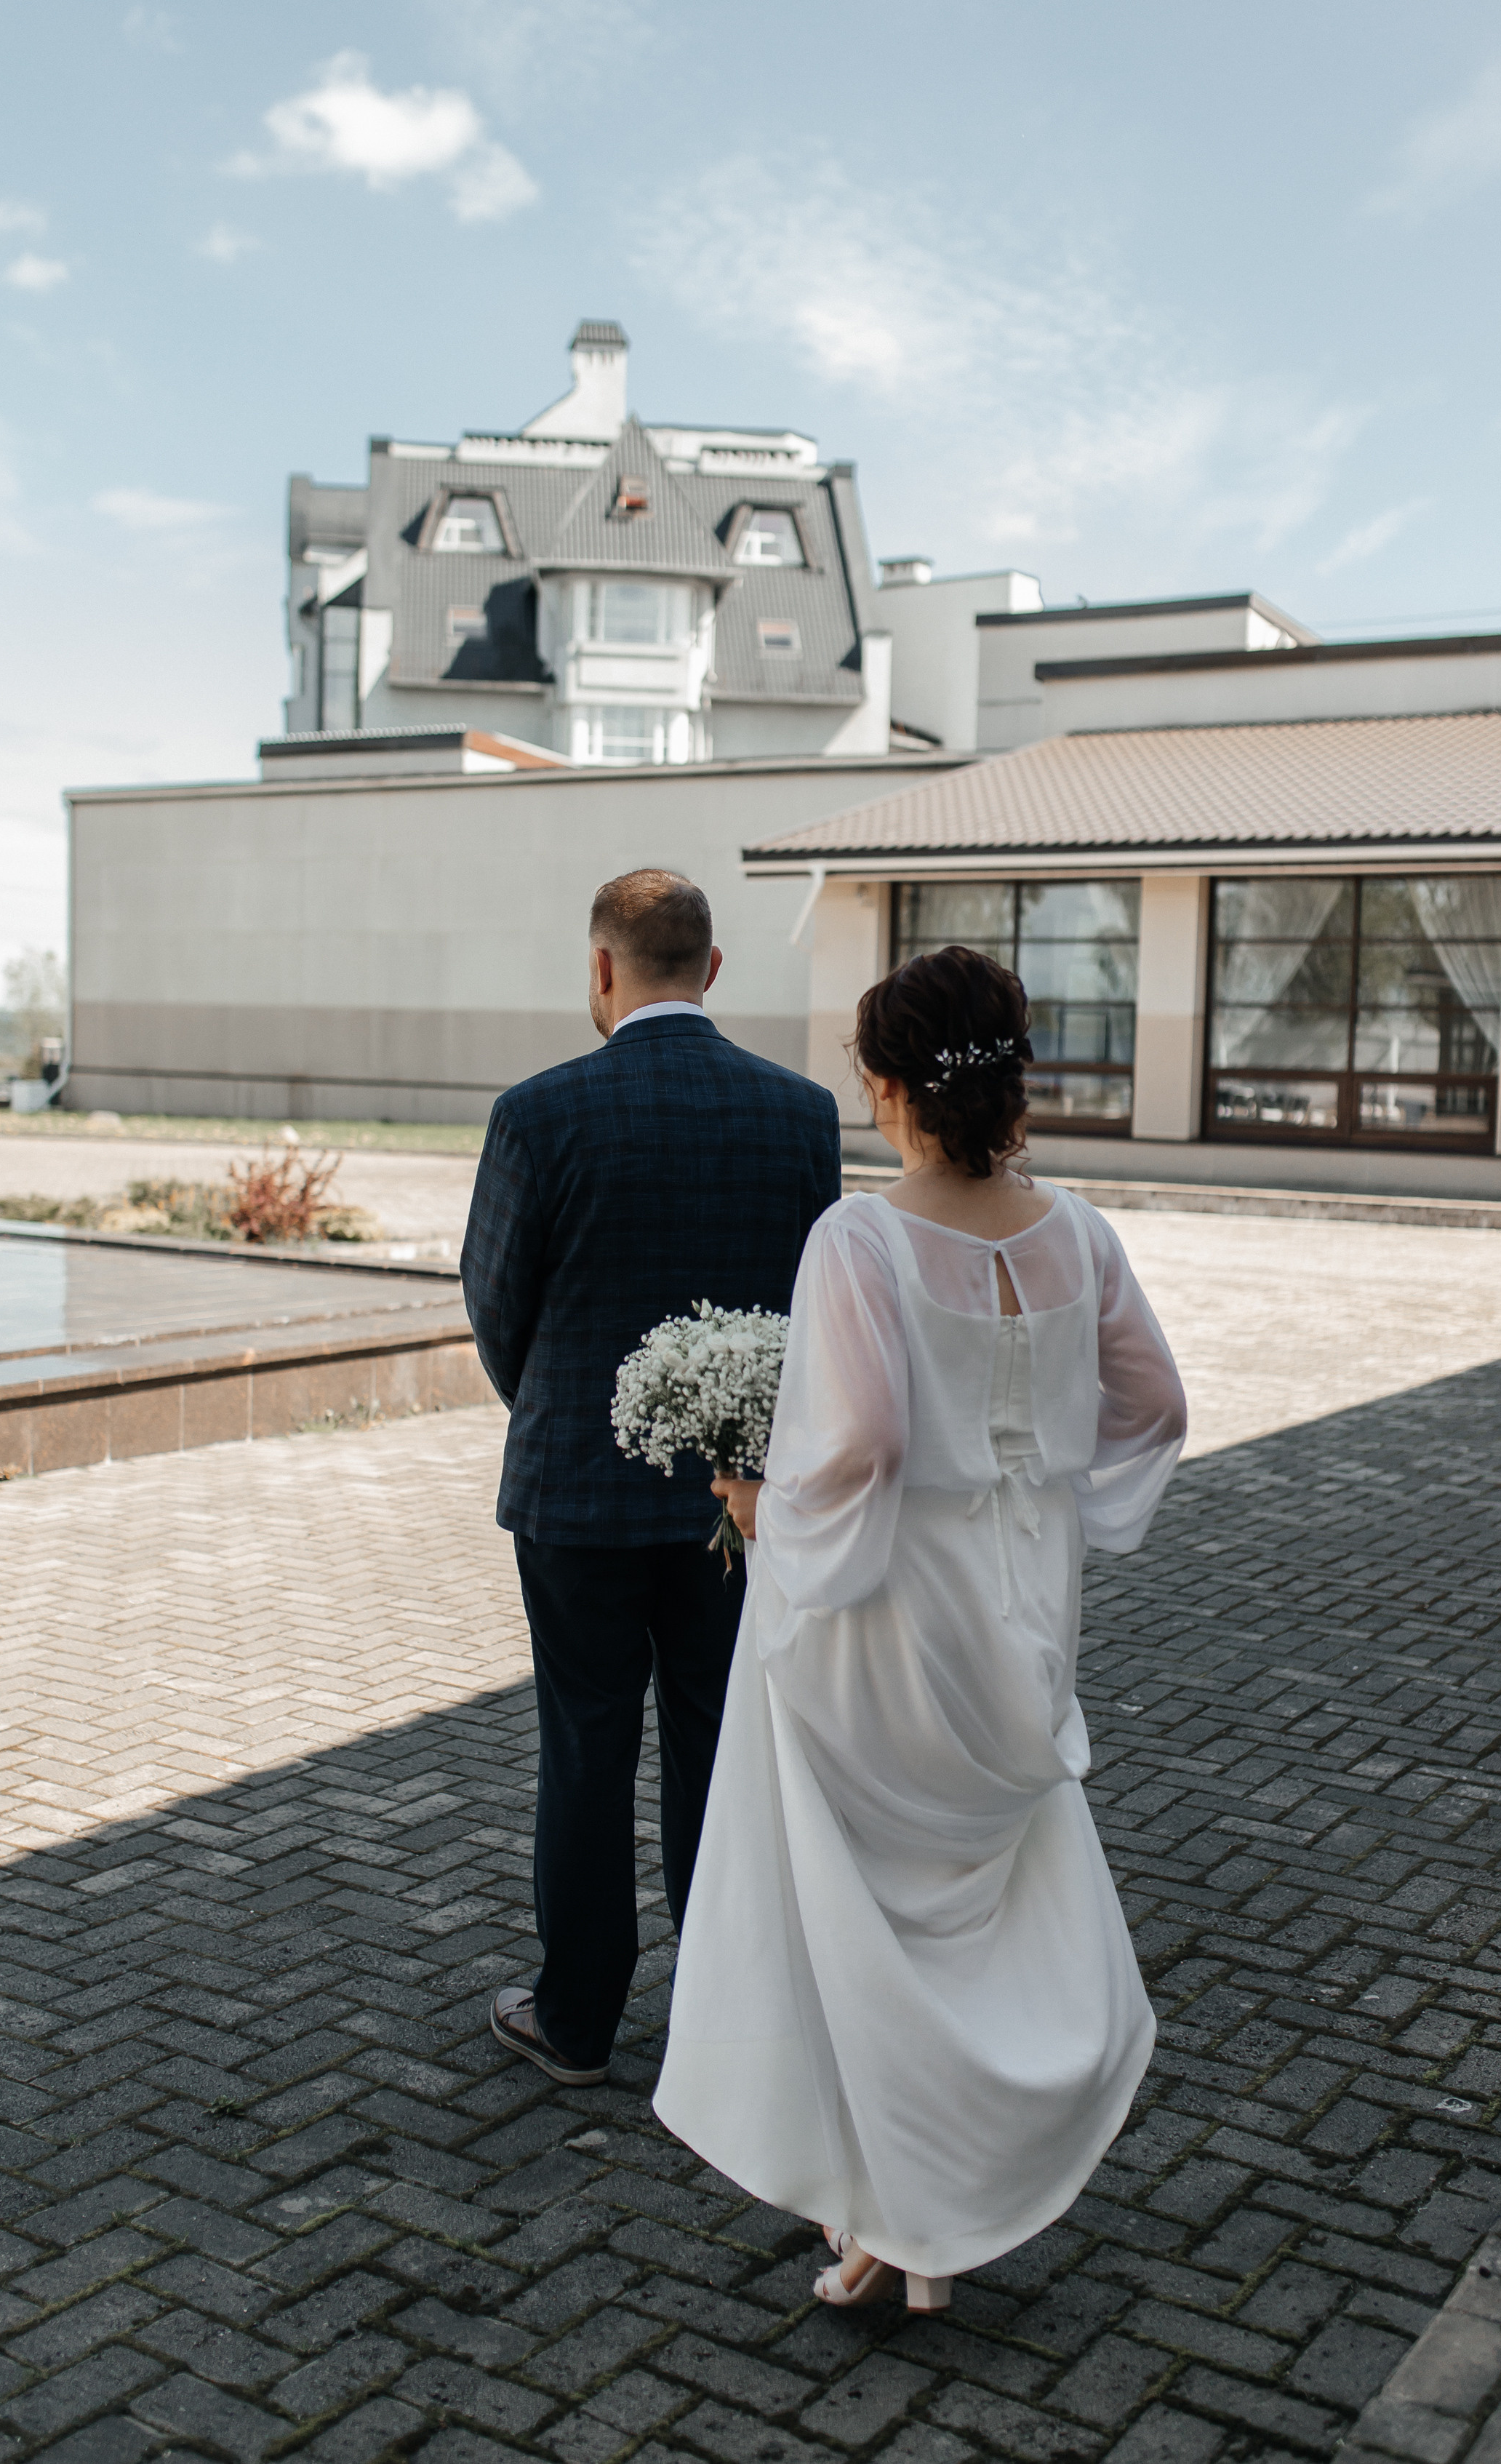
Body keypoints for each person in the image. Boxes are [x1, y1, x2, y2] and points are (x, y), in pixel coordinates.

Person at [653, 943, 1186, 2308]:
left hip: (882, 1610)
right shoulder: (1079, 1233)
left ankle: (899, 2212)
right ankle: (912, 2220)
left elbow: (869, 1439)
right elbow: (1154, 1410)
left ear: (889, 1087)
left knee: (859, 1917)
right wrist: (1061, 1493)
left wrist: (770, 1510)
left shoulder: (862, 1237)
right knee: (966, 1906)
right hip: (1019, 1609)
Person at [460, 868, 842, 2087]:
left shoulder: (538, 1112)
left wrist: (566, 1409)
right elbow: (810, 1312)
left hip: (575, 1493)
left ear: (601, 970)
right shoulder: (799, 1114)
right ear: (714, 971)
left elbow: (495, 1303)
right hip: (737, 1497)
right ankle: (722, 2025)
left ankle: (575, 2019)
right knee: (716, 1750)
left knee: (581, 1745)